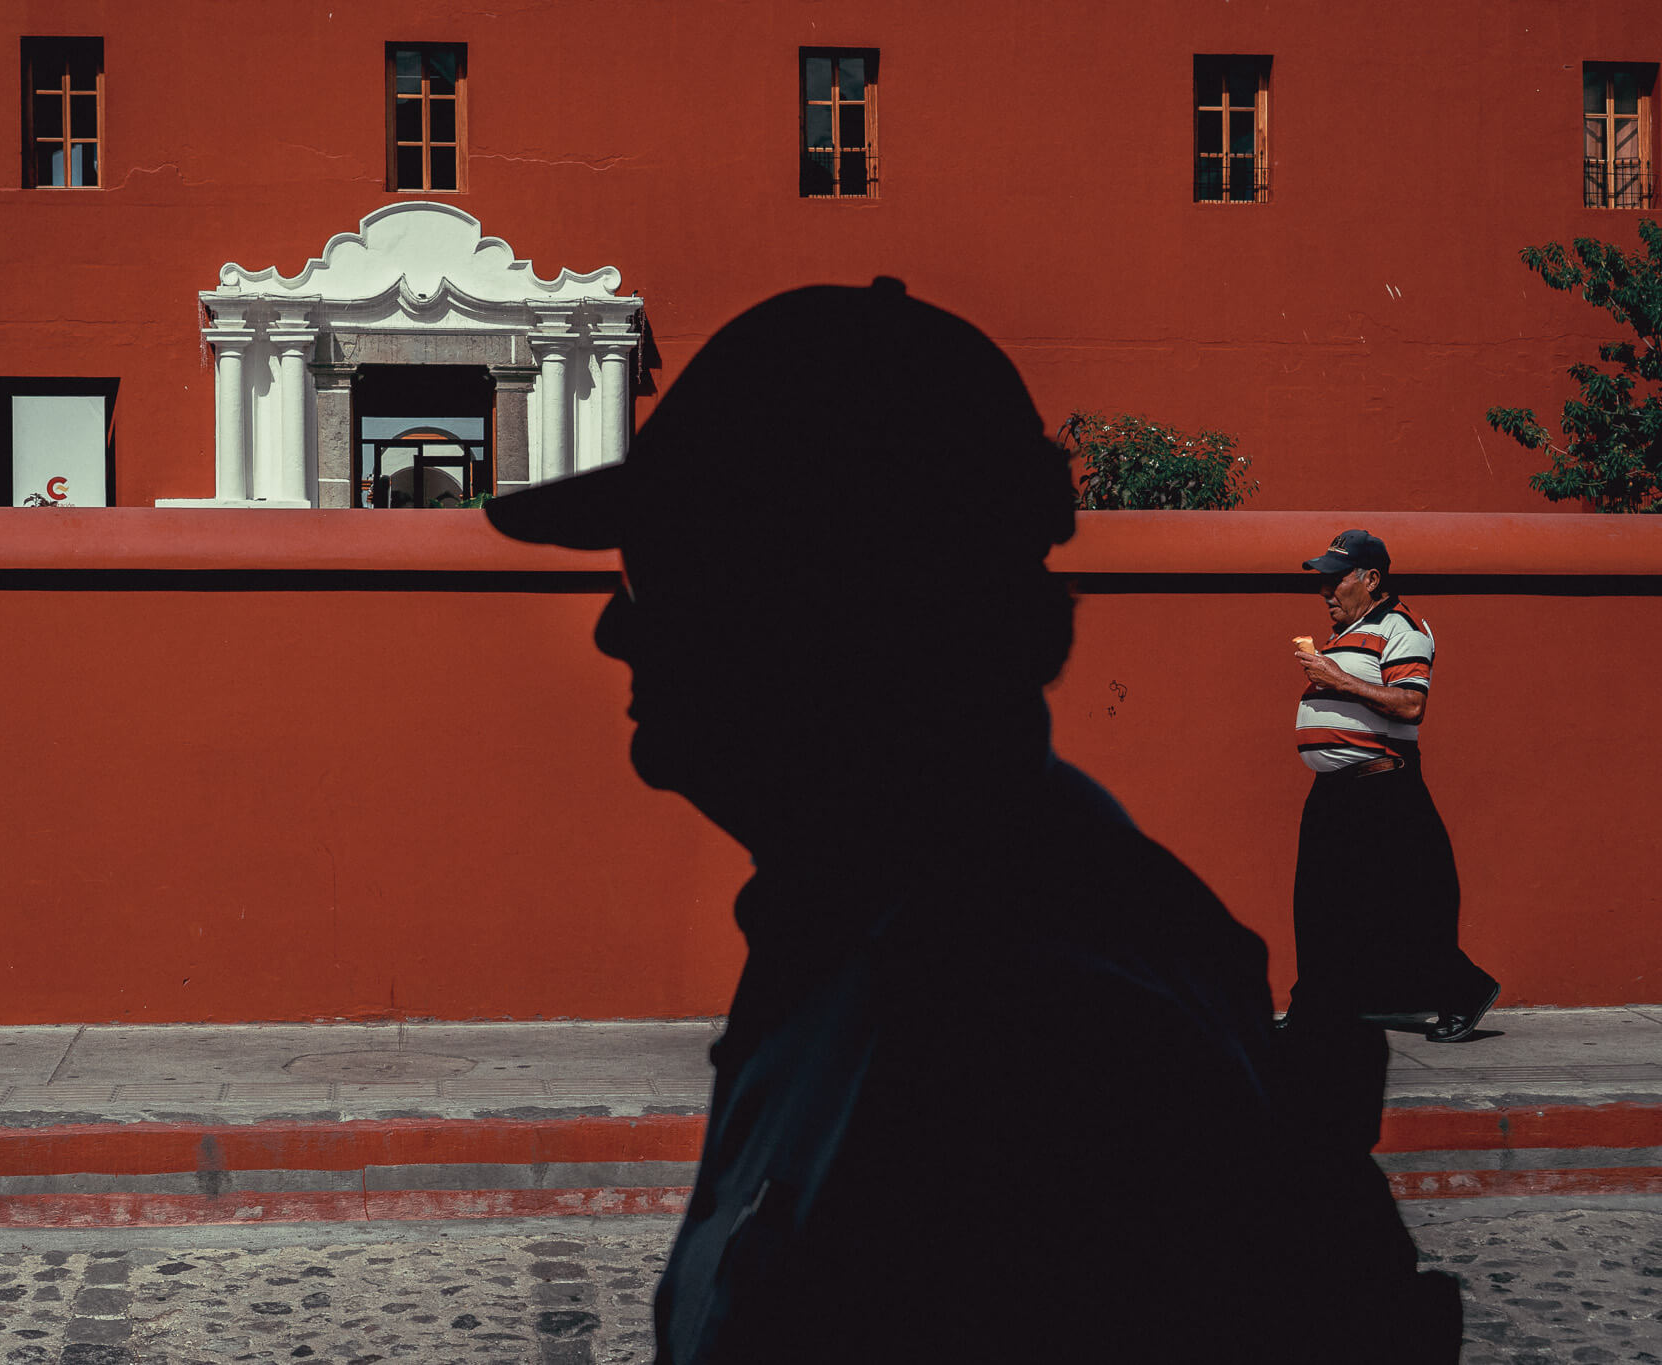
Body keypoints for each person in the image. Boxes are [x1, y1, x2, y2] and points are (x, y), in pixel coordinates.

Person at [487, 281, 1459, 1363]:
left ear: (830, 598)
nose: (613, 632)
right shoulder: (865, 924)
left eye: (658, 572)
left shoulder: (1043, 1033)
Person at [1288, 530, 1501, 1043]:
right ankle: (1315, 1010)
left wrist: (1335, 679)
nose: (1326, 592)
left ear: (1371, 579)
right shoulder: (1346, 633)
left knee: (1400, 904)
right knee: (1317, 903)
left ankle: (1464, 991)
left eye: (1336, 580)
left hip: (1379, 788)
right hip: (1335, 791)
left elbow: (1410, 704)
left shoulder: (1402, 627)